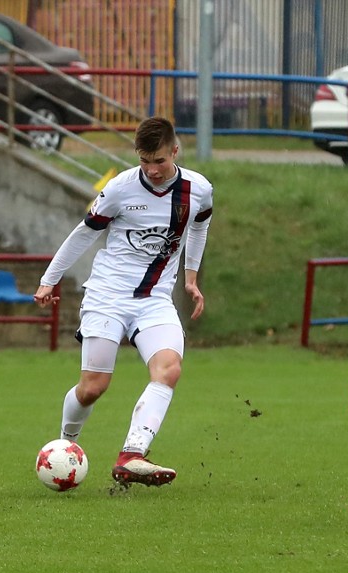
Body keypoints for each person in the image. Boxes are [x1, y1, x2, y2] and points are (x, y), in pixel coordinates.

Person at [33, 116, 213, 487]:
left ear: (175, 151)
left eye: (159, 161)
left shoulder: (198, 190)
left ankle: (132, 454)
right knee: (93, 387)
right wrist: (49, 280)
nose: (152, 170)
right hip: (107, 296)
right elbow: (83, 235)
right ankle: (67, 443)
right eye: (144, 161)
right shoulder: (120, 189)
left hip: (155, 300)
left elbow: (199, 225)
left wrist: (191, 276)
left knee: (169, 369)